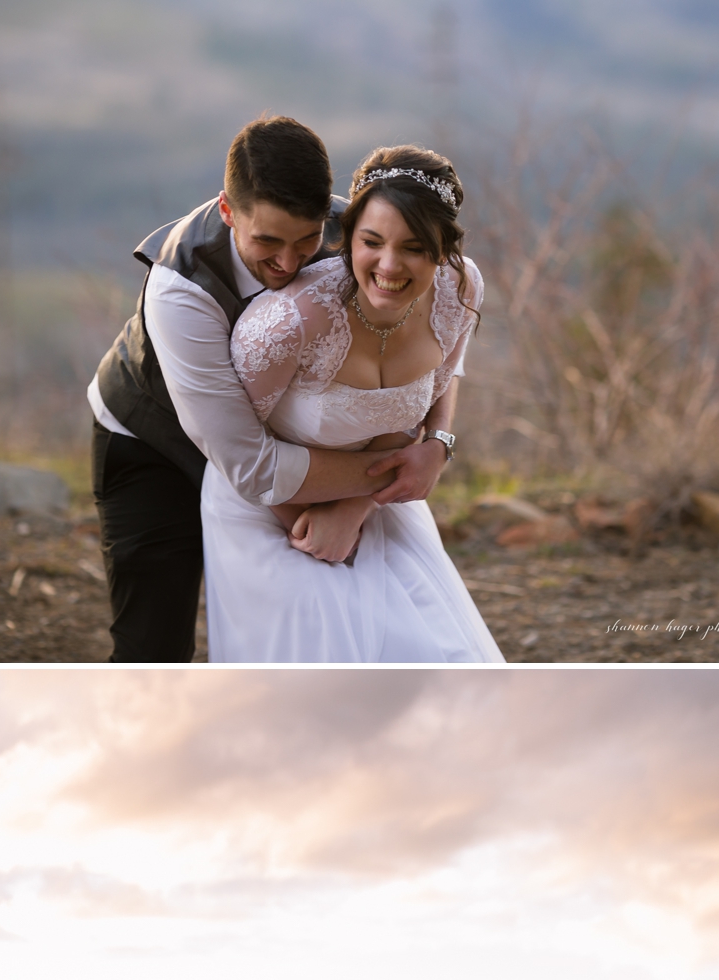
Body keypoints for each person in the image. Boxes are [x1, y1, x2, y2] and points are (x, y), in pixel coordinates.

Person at [88, 115, 446, 662]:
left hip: (289, 452)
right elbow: (250, 465)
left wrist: (433, 445)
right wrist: (395, 472)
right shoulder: (178, 289)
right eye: (267, 242)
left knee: (327, 629)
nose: (287, 262)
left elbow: (432, 340)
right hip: (152, 441)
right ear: (228, 211)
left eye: (307, 241)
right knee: (153, 648)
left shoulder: (358, 236)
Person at [205, 145, 504, 662]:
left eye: (414, 247)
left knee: (437, 656)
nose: (389, 265)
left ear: (443, 251)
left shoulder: (459, 289)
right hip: (268, 506)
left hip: (378, 497)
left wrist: (369, 498)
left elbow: (433, 386)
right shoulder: (286, 325)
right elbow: (238, 450)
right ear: (346, 238)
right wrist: (315, 525)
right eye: (371, 242)